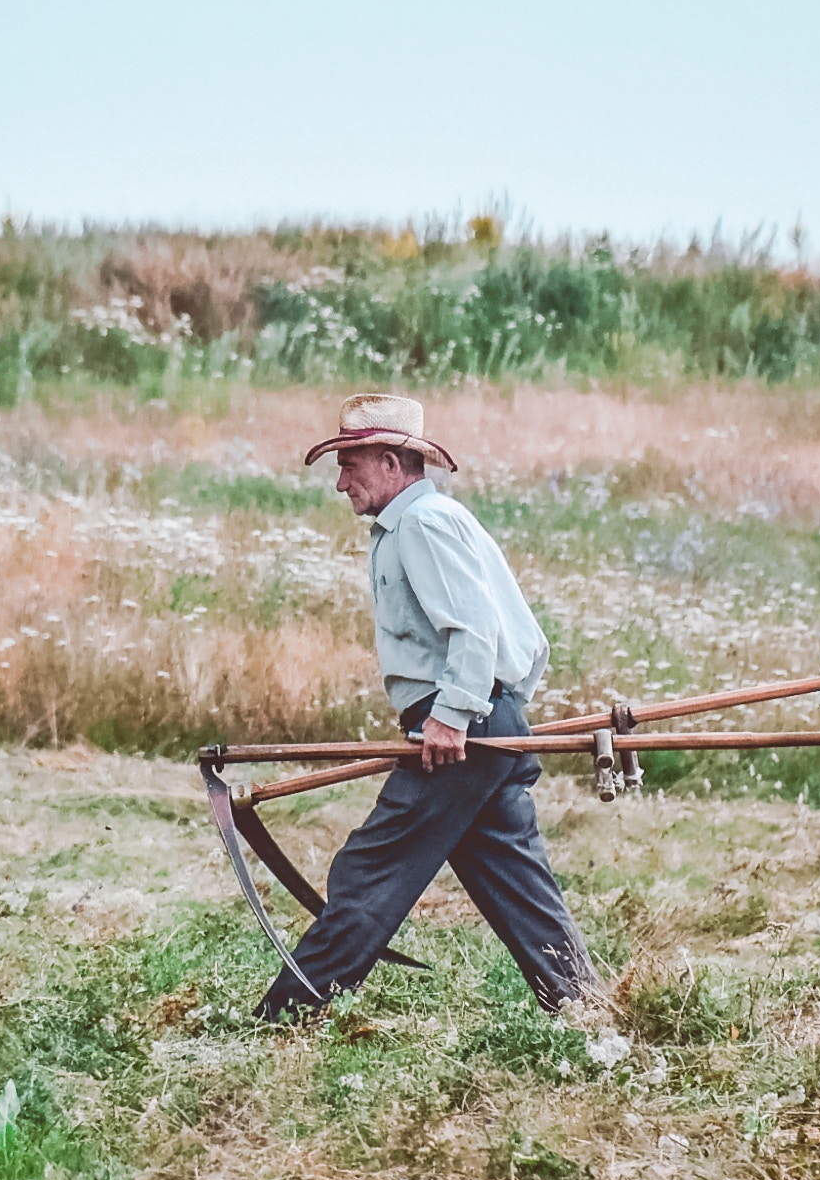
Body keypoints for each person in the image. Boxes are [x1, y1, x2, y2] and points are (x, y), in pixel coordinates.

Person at [255, 393, 598, 1021]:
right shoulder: (426, 523)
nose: (339, 483)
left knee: (369, 868)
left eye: (349, 465)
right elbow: (523, 638)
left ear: (390, 463)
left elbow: (475, 629)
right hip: (477, 723)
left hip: (456, 728)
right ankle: (586, 1008)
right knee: (514, 881)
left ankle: (287, 1016)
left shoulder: (423, 526)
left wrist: (455, 715)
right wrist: (497, 713)